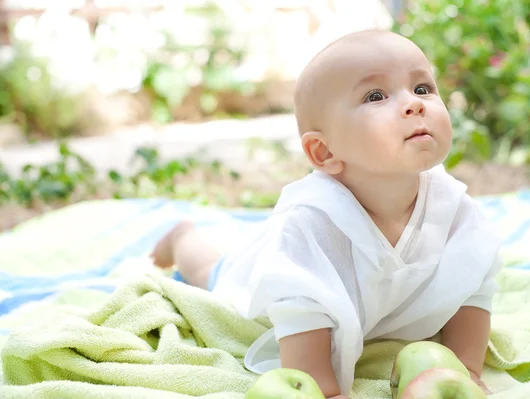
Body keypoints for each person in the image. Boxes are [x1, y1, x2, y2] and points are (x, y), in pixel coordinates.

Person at [151, 29, 501, 399]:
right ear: (323, 152)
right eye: (376, 95)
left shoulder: (456, 208)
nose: (414, 104)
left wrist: (467, 370)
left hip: (380, 305)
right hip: (266, 279)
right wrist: (327, 390)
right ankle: (182, 237)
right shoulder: (308, 226)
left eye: (422, 88)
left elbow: (473, 284)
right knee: (213, 273)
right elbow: (302, 314)